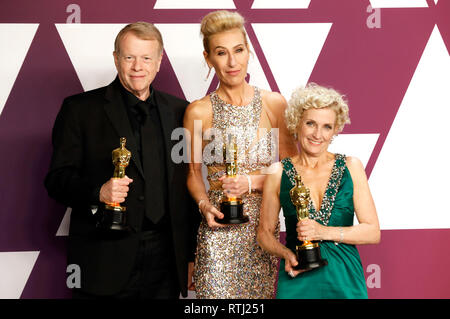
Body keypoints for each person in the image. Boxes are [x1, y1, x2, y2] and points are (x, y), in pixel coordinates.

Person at [44, 22, 198, 299]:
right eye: (129, 57)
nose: (138, 66)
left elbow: (184, 189)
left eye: (146, 57)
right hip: (104, 260)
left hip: (165, 261)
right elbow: (57, 180)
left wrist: (189, 255)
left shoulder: (180, 111)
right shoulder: (79, 110)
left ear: (160, 61)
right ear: (116, 58)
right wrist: (98, 192)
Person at [183, 10, 297, 299]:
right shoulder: (198, 111)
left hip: (263, 233)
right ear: (208, 58)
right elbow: (194, 175)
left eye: (238, 50)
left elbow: (293, 171)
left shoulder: (274, 103)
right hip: (218, 231)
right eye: (221, 53)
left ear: (249, 52)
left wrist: (251, 182)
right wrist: (203, 205)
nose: (232, 62)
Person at [257, 83, 380, 299]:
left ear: (335, 130)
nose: (317, 134)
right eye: (311, 123)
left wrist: (323, 232)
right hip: (298, 274)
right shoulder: (277, 172)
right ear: (297, 123)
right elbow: (264, 234)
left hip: (345, 277)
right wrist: (286, 254)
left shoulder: (351, 166)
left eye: (327, 127)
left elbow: (372, 231)